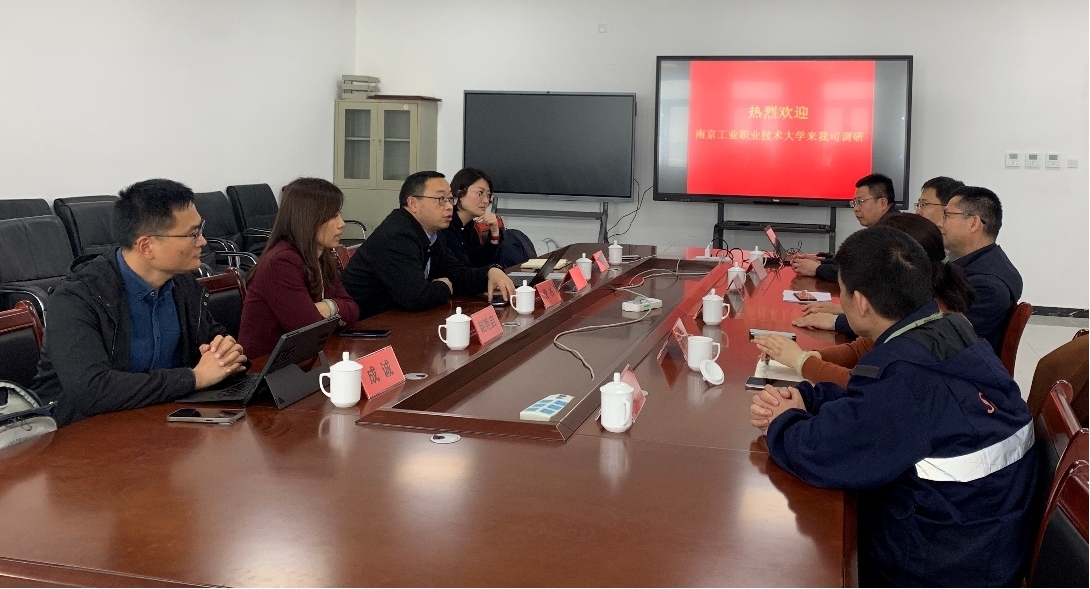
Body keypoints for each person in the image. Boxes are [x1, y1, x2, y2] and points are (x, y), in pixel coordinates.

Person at [750, 226, 1037, 587]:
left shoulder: (906, 373)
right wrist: (809, 399)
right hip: (989, 529)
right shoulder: (948, 328)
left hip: (944, 558)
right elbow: (874, 404)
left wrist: (782, 421)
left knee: (804, 551)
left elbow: (824, 453)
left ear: (861, 302)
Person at [33, 179, 247, 427]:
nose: (203, 241)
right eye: (193, 234)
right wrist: (194, 378)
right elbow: (91, 390)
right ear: (146, 246)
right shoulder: (76, 298)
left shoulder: (183, 283)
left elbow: (214, 341)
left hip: (161, 420)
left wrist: (227, 352)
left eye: (200, 229)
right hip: (81, 432)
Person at [755, 214, 976, 387]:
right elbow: (863, 348)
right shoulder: (912, 307)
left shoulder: (926, 332)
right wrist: (813, 355)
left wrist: (802, 362)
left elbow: (864, 386)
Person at [341, 171, 516, 319]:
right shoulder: (397, 236)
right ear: (413, 203)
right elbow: (416, 297)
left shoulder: (433, 234)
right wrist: (445, 287)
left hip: (397, 319)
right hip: (364, 328)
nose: (449, 206)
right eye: (441, 199)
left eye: (450, 199)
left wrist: (491, 272)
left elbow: (458, 275)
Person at [238, 178, 360, 358]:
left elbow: (353, 310)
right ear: (309, 218)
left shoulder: (322, 255)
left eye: (339, 214)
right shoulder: (281, 262)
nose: (341, 223)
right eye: (333, 216)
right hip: (266, 366)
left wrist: (329, 307)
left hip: (305, 358)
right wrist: (335, 311)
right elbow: (310, 329)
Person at [940, 185, 1023, 353]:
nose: (939, 223)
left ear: (973, 223)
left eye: (947, 215)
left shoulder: (987, 285)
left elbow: (942, 340)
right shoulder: (986, 261)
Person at [791, 173, 898, 281]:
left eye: (861, 202)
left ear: (883, 203)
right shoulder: (885, 226)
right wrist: (819, 261)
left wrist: (816, 269)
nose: (856, 208)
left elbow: (860, 274)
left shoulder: (892, 232)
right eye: (855, 203)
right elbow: (854, 261)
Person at [443, 167, 503, 267]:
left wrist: (494, 233)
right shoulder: (446, 225)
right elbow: (464, 270)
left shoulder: (469, 227)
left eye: (488, 195)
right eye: (480, 193)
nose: (486, 200)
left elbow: (485, 265)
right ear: (460, 194)